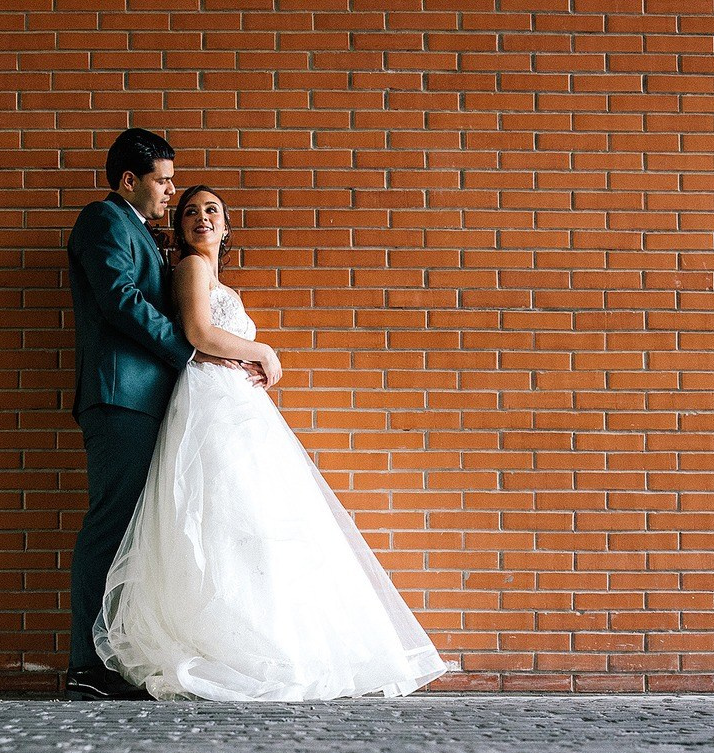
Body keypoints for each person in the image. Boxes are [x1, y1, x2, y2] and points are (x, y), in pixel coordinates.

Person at [92, 185, 449, 701]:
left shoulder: (216, 279)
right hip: (210, 402)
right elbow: (197, 332)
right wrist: (262, 351)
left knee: (254, 518)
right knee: (224, 513)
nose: (201, 218)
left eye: (212, 210)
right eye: (190, 211)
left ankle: (265, 644)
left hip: (236, 403)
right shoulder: (191, 268)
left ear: (227, 226)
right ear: (180, 227)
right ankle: (229, 647)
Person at [62, 129, 271, 700]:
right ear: (130, 180)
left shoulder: (144, 235)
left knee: (140, 532)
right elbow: (120, 300)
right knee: (111, 527)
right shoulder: (103, 220)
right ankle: (86, 667)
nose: (171, 191)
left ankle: (119, 656)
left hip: (149, 401)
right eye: (164, 180)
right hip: (120, 397)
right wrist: (193, 351)